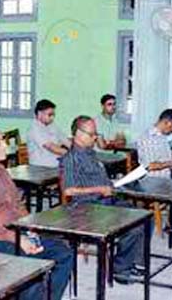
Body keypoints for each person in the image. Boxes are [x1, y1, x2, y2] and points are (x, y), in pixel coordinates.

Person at [0, 125, 73, 300]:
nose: (5, 145)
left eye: (3, 140)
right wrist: (17, 239)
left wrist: (29, 227)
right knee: (29, 263)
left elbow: (17, 204)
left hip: (16, 230)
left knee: (63, 253)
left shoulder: (1, 171)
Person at [60, 115, 147, 284]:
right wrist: (100, 189)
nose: (95, 138)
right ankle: (121, 270)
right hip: (87, 207)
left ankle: (132, 262)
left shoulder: (91, 153)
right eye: (92, 134)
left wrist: (114, 184)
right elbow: (68, 190)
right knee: (133, 226)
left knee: (143, 216)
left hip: (105, 200)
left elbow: (99, 180)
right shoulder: (70, 158)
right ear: (78, 134)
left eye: (95, 134)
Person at [136, 109, 172, 178]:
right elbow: (149, 166)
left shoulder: (162, 137)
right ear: (166, 122)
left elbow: (162, 160)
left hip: (164, 180)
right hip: (153, 182)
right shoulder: (148, 138)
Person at [27, 99, 70, 167]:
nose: (52, 118)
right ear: (39, 113)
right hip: (40, 167)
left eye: (53, 115)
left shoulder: (52, 125)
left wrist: (77, 149)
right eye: (49, 115)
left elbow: (64, 139)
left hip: (55, 164)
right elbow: (50, 147)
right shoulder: (34, 129)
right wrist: (71, 153)